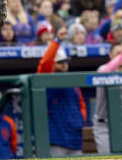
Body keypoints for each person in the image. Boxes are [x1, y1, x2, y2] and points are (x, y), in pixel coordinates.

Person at [37, 27, 87, 156]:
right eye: (60, 62)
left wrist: (81, 120)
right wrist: (57, 40)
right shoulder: (48, 79)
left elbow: (81, 104)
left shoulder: (73, 82)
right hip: (57, 139)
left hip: (75, 138)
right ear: (54, 65)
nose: (64, 64)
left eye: (65, 62)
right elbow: (45, 63)